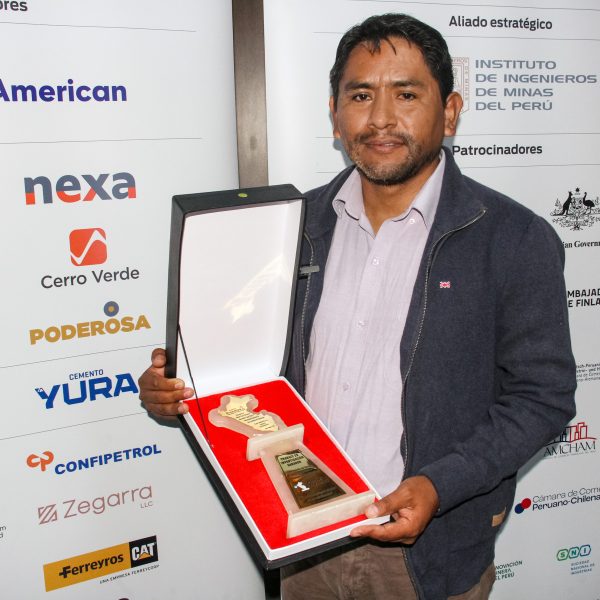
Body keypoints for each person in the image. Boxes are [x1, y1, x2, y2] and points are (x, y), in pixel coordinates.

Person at [139, 13, 576, 600]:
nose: (381, 119)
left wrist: (439, 485)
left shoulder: (513, 238)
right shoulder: (290, 228)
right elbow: (251, 367)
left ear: (450, 112)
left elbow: (542, 399)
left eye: (407, 95)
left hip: (428, 554)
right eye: (361, 95)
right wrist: (183, 385)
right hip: (301, 537)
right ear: (335, 114)